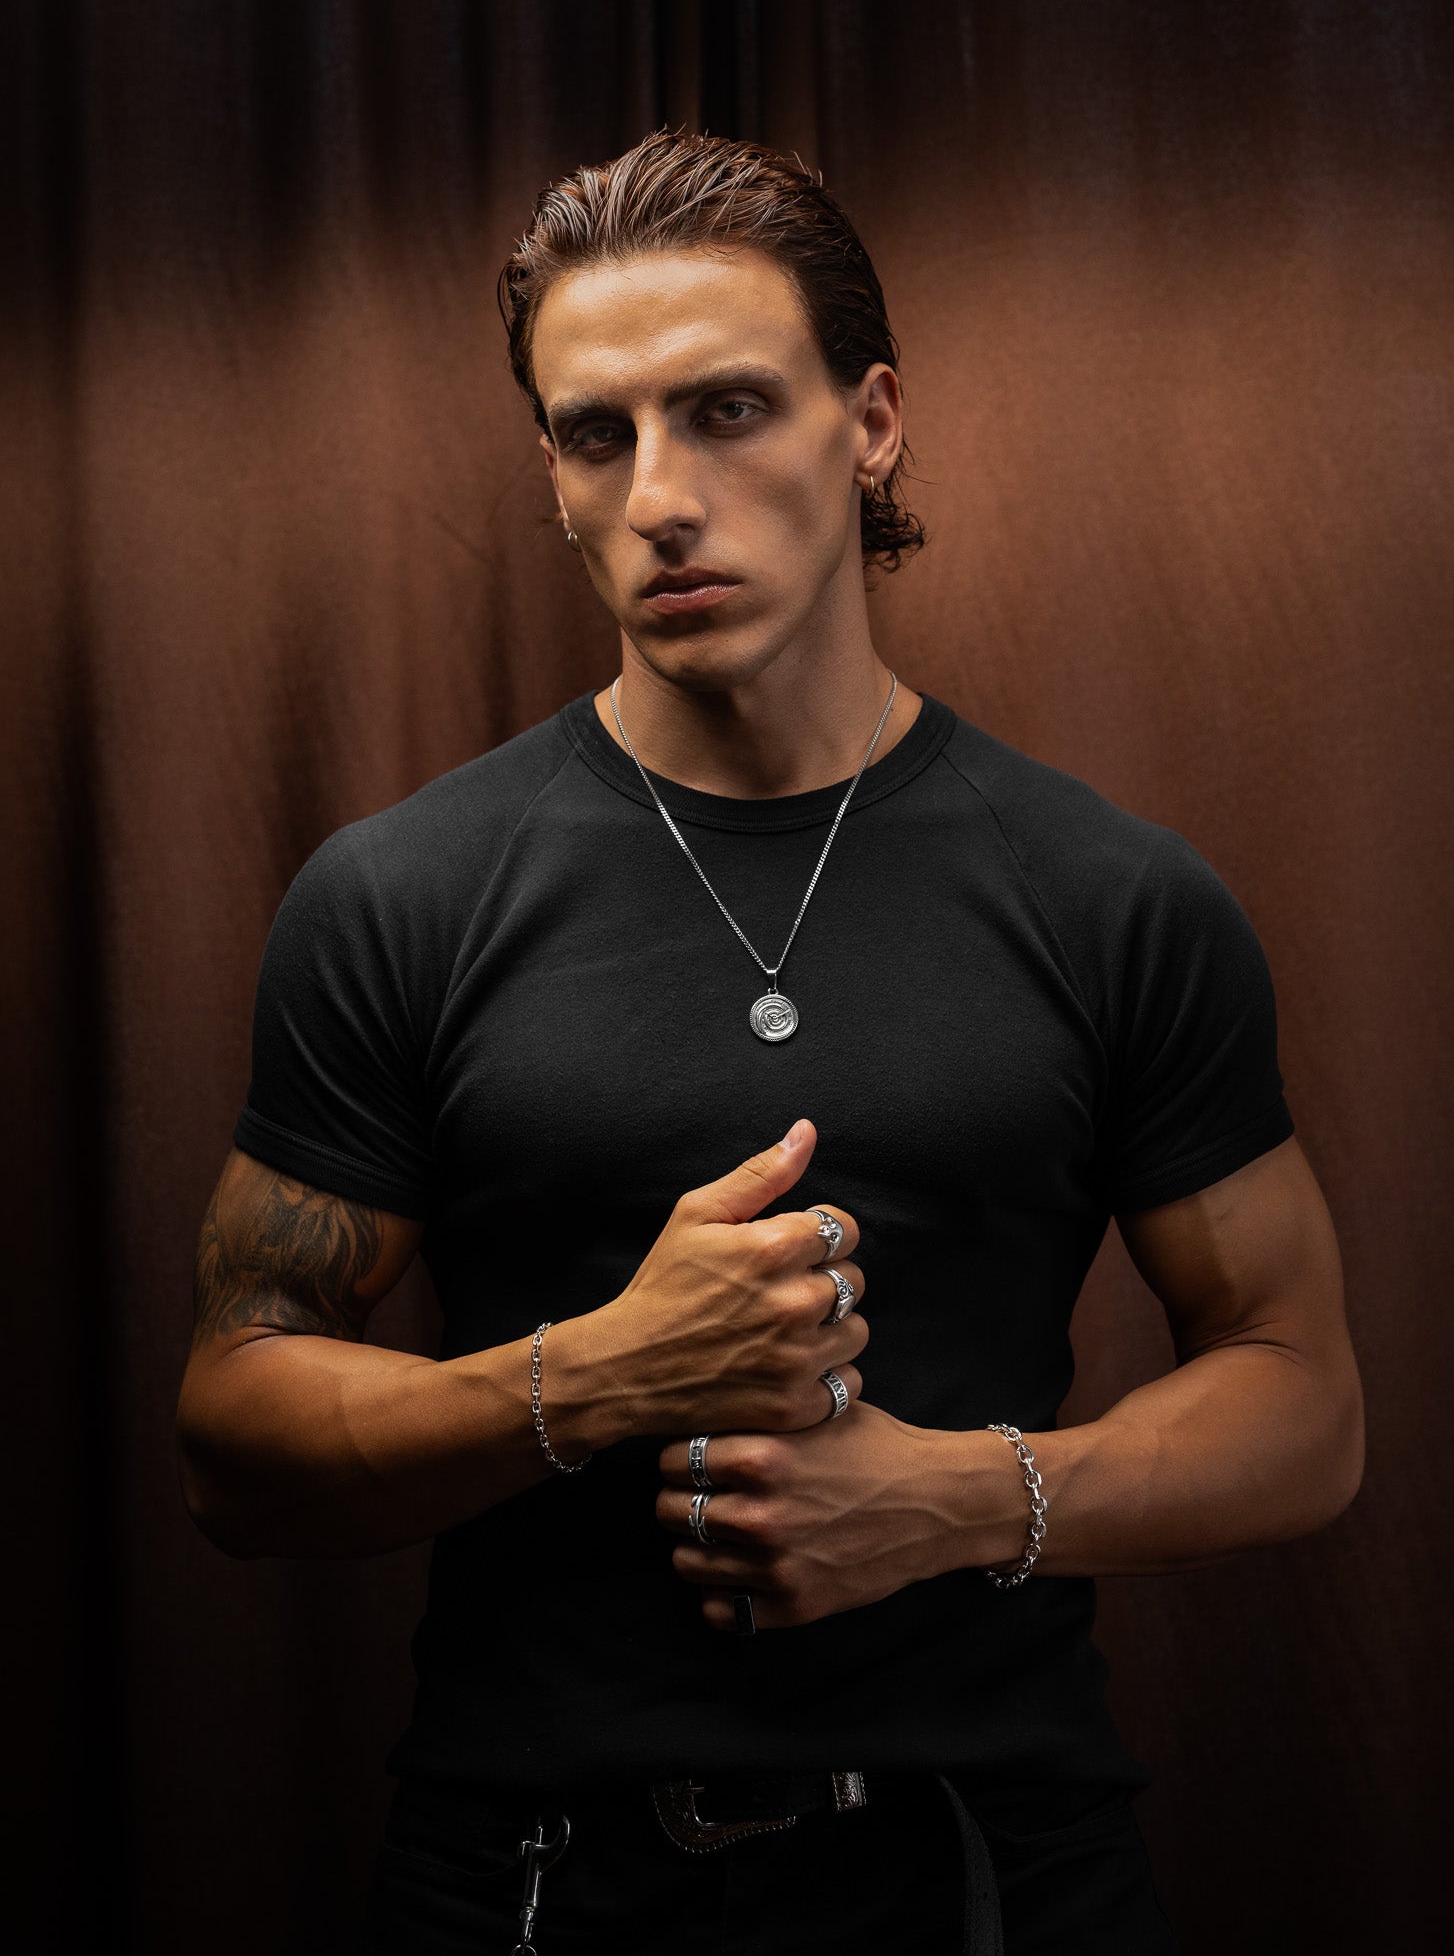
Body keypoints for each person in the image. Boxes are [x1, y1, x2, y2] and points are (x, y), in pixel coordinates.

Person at [176, 129, 1364, 1955]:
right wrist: (594, 1378)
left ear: (869, 423)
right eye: (597, 432)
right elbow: (234, 1433)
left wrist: (960, 1498)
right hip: (527, 1871)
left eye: (729, 410)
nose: (660, 493)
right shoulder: (401, 893)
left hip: (996, 1867)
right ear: (555, 473)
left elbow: (1305, 1403)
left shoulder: (1109, 894)